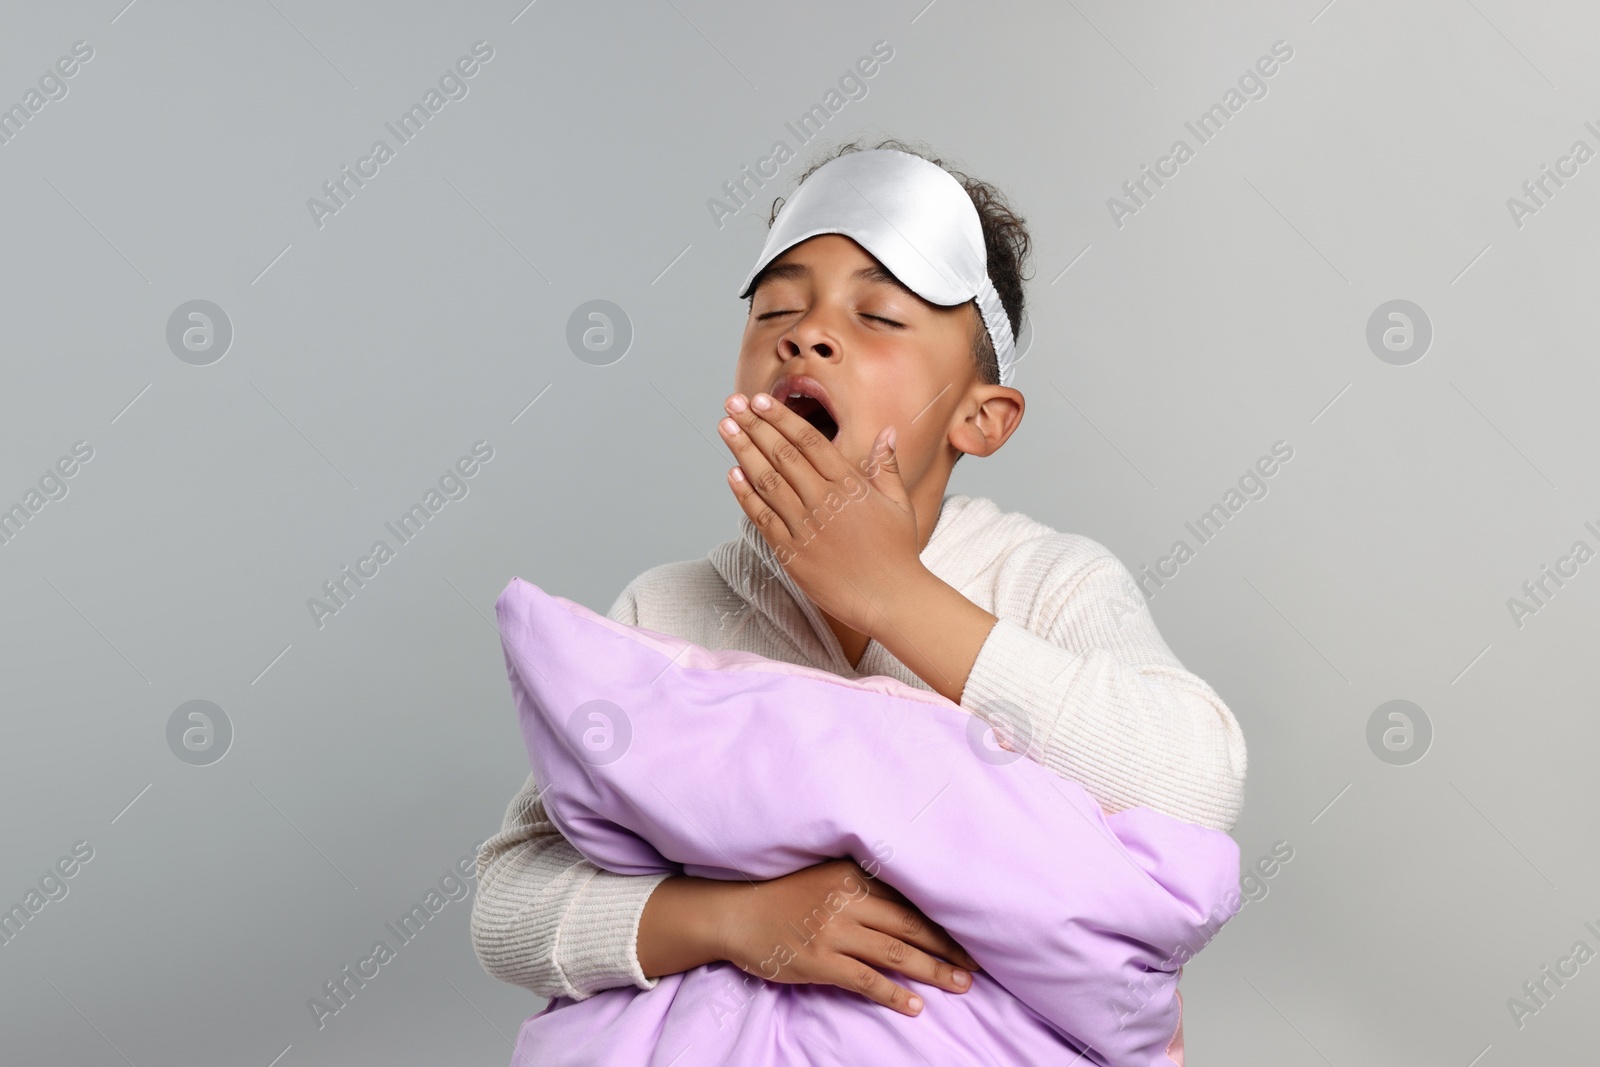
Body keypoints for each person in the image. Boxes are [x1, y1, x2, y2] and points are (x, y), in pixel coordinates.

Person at [471, 137, 1247, 1025]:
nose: (807, 333)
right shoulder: (668, 612)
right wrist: (733, 920)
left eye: (878, 316)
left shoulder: (1047, 582)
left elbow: (1194, 786)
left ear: (980, 419)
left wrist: (890, 593)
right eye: (774, 312)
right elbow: (508, 903)